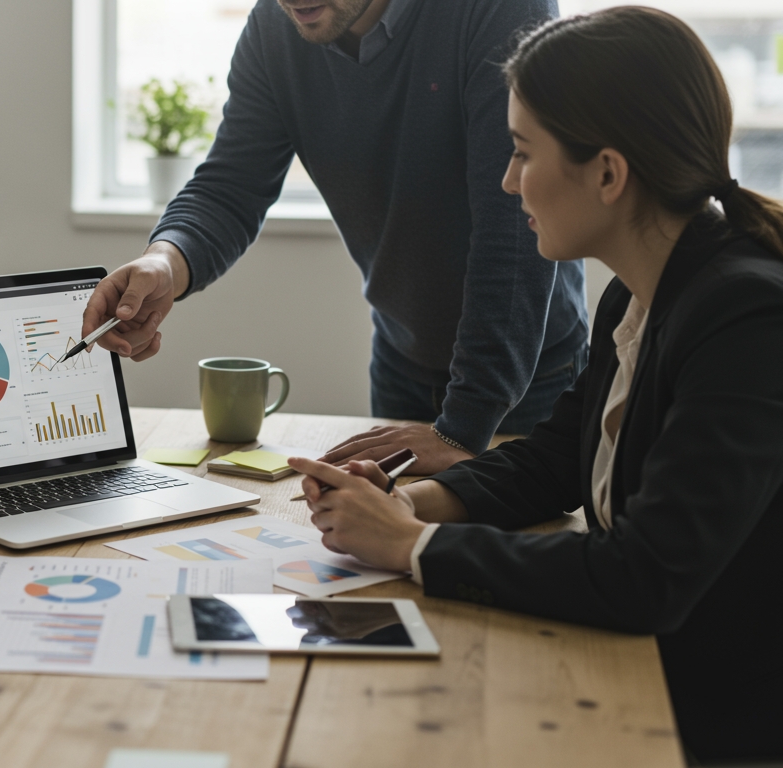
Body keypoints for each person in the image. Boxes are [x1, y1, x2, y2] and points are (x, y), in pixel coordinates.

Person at [289, 8, 783, 761]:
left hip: (706, 721)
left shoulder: (748, 318)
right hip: (635, 671)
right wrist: (408, 499)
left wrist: (412, 547)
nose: (506, 179)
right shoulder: (636, 292)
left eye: (522, 152)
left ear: (609, 174)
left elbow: (645, 576)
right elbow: (555, 458)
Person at [81, 0, 588, 475]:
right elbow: (232, 184)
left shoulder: (498, 10)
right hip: (401, 359)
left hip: (528, 376)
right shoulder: (275, 27)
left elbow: (513, 229)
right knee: (386, 559)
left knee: (506, 560)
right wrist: (164, 263)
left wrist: (463, 428)